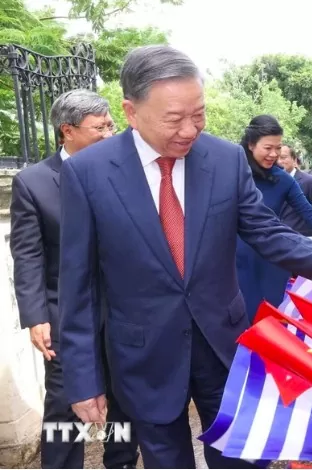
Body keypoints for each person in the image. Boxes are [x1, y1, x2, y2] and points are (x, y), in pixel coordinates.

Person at [57, 45, 312, 470]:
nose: (190, 129)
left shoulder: (224, 159)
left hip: (223, 346)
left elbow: (265, 231)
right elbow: (77, 283)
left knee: (242, 460)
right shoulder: (88, 172)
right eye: (174, 118)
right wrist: (83, 380)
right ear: (131, 112)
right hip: (144, 356)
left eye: (199, 114)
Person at [10, 89, 138, 469]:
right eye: (99, 127)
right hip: (66, 320)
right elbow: (29, 255)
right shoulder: (34, 182)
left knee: (122, 406)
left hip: (121, 315)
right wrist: (36, 316)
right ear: (67, 130)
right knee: (66, 410)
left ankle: (120, 463)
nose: (109, 134)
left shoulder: (123, 174)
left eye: (111, 125)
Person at [237, 115, 312, 320]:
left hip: (271, 259)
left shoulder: (282, 179)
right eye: (268, 148)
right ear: (250, 144)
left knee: (269, 319)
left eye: (278, 148)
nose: (274, 154)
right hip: (235, 259)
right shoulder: (234, 173)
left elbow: (309, 212)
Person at [278, 143, 312, 237]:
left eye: (283, 157)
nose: (279, 161)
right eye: (276, 158)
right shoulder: (270, 183)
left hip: (304, 242)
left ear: (294, 160)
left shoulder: (310, 182)